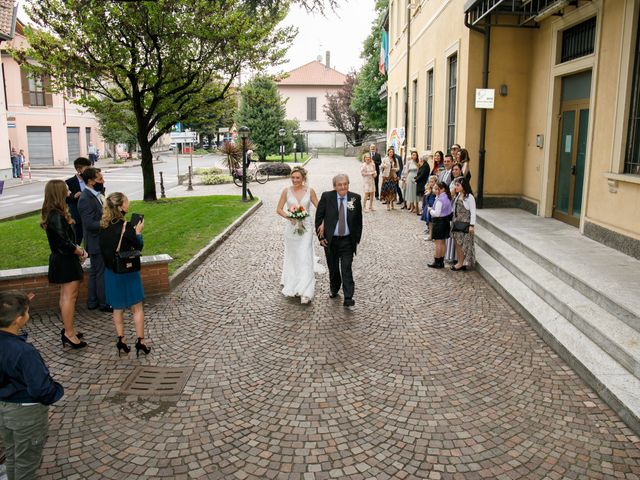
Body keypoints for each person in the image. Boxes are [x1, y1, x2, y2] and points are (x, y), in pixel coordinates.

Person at [0, 291, 65, 480]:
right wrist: (55, 391)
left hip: (4, 407)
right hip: (26, 413)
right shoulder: (24, 352)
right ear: (19, 319)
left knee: (12, 452)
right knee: (27, 461)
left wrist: (18, 302)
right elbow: (40, 388)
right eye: (27, 312)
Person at [99, 192, 149, 357]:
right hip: (127, 271)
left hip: (111, 272)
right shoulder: (126, 227)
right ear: (120, 207)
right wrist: (138, 232)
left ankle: (121, 340)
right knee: (137, 308)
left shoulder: (103, 226)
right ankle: (140, 341)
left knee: (117, 308)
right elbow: (138, 246)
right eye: (126, 202)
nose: (128, 204)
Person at [41, 180, 88, 349]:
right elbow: (64, 243)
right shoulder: (57, 216)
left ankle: (69, 329)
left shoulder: (55, 214)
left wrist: (77, 250)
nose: (69, 190)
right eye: (66, 189)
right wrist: (81, 252)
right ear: (59, 192)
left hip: (62, 259)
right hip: (65, 260)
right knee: (69, 297)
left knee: (66, 297)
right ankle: (69, 334)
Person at [315, 174, 363, 307]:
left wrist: (356, 239)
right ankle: (334, 288)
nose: (343, 187)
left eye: (345, 184)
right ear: (335, 186)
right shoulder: (327, 197)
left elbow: (358, 220)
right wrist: (321, 238)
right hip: (330, 240)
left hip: (347, 241)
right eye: (340, 184)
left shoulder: (355, 198)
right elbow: (319, 217)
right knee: (334, 268)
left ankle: (348, 297)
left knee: (346, 268)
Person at [276, 167, 322, 304]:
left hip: (306, 228)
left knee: (305, 255)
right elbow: (278, 209)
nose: (295, 180)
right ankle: (292, 281)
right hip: (291, 228)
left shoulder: (310, 191)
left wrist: (324, 222)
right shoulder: (286, 191)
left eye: (298, 178)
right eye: (293, 178)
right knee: (293, 255)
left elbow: (320, 208)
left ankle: (306, 291)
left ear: (303, 178)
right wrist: (290, 216)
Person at [78, 167, 111, 313]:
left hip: (98, 241)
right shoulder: (85, 198)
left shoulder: (96, 194)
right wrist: (107, 222)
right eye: (99, 179)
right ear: (90, 181)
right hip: (96, 242)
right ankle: (103, 303)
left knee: (95, 272)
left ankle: (93, 301)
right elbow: (90, 224)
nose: (102, 181)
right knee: (100, 273)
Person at [451, 177, 477, 271]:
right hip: (457, 222)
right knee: (458, 244)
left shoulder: (469, 197)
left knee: (464, 244)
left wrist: (472, 225)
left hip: (465, 223)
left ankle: (463, 263)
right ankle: (459, 262)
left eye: (458, 185)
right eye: (455, 185)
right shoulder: (458, 195)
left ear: (463, 186)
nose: (456, 187)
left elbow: (473, 212)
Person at [66, 157, 92, 246]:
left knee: (90, 240)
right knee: (76, 238)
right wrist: (74, 195)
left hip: (91, 216)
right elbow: (66, 199)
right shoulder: (69, 182)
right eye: (87, 169)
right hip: (77, 216)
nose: (90, 171)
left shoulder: (91, 180)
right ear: (79, 169)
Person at [427, 181, 452, 269]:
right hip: (445, 221)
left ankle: (437, 261)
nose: (436, 190)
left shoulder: (440, 199)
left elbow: (437, 213)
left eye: (438, 189)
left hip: (439, 222)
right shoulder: (447, 197)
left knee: (438, 243)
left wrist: (430, 210)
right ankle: (441, 262)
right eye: (435, 189)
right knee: (442, 242)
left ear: (443, 189)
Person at [421, 175, 438, 240]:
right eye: (430, 182)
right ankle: (430, 236)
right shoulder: (428, 189)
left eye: (432, 182)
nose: (431, 183)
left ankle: (434, 236)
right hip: (428, 207)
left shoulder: (435, 190)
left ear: (435, 182)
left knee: (434, 222)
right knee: (430, 222)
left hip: (433, 207)